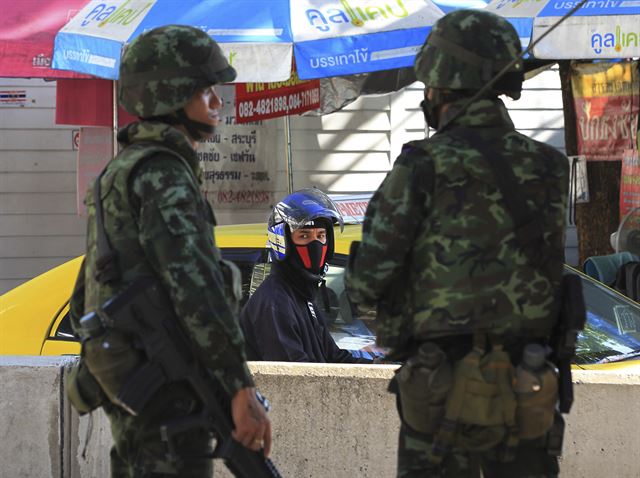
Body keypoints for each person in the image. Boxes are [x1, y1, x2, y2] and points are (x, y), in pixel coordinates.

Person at [345, 10, 569, 478]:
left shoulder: (421, 166)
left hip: (439, 391)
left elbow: (367, 281)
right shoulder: (549, 166)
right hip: (527, 385)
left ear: (441, 86)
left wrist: (402, 325)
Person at [68, 25, 271, 477]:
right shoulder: (164, 174)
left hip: (143, 386)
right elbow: (196, 288)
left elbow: (87, 290)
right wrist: (239, 386)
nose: (218, 100)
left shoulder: (118, 172)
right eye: (204, 90)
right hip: (167, 392)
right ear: (170, 95)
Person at [240, 188, 372, 363]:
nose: (315, 243)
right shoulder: (275, 304)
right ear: (284, 241)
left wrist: (381, 367)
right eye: (304, 236)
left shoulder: (302, 296)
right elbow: (297, 381)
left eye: (321, 235)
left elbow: (334, 357)